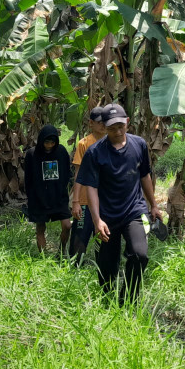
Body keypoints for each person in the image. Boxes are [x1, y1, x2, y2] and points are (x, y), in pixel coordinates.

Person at [77, 103, 163, 304]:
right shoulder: (95, 152)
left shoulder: (139, 145)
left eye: (121, 127)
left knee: (140, 255)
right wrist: (97, 220)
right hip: (106, 215)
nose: (117, 132)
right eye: (112, 128)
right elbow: (91, 188)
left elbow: (144, 176)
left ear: (127, 122)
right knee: (107, 266)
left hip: (134, 210)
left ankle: (128, 300)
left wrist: (154, 204)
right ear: (104, 127)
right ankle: (107, 302)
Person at [24, 124, 72, 254]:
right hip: (39, 198)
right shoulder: (32, 154)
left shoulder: (61, 152)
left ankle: (61, 251)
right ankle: (43, 257)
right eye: (46, 142)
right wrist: (31, 197)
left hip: (58, 196)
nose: (49, 145)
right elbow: (28, 179)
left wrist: (62, 189)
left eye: (52, 142)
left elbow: (67, 172)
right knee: (40, 228)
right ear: (41, 141)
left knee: (67, 225)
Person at [70, 106, 106, 265]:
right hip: (84, 199)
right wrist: (75, 201)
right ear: (91, 123)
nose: (103, 125)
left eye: (105, 122)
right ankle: (75, 266)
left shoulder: (112, 142)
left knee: (103, 236)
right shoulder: (84, 144)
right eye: (99, 122)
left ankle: (103, 268)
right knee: (80, 236)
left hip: (105, 200)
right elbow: (78, 173)